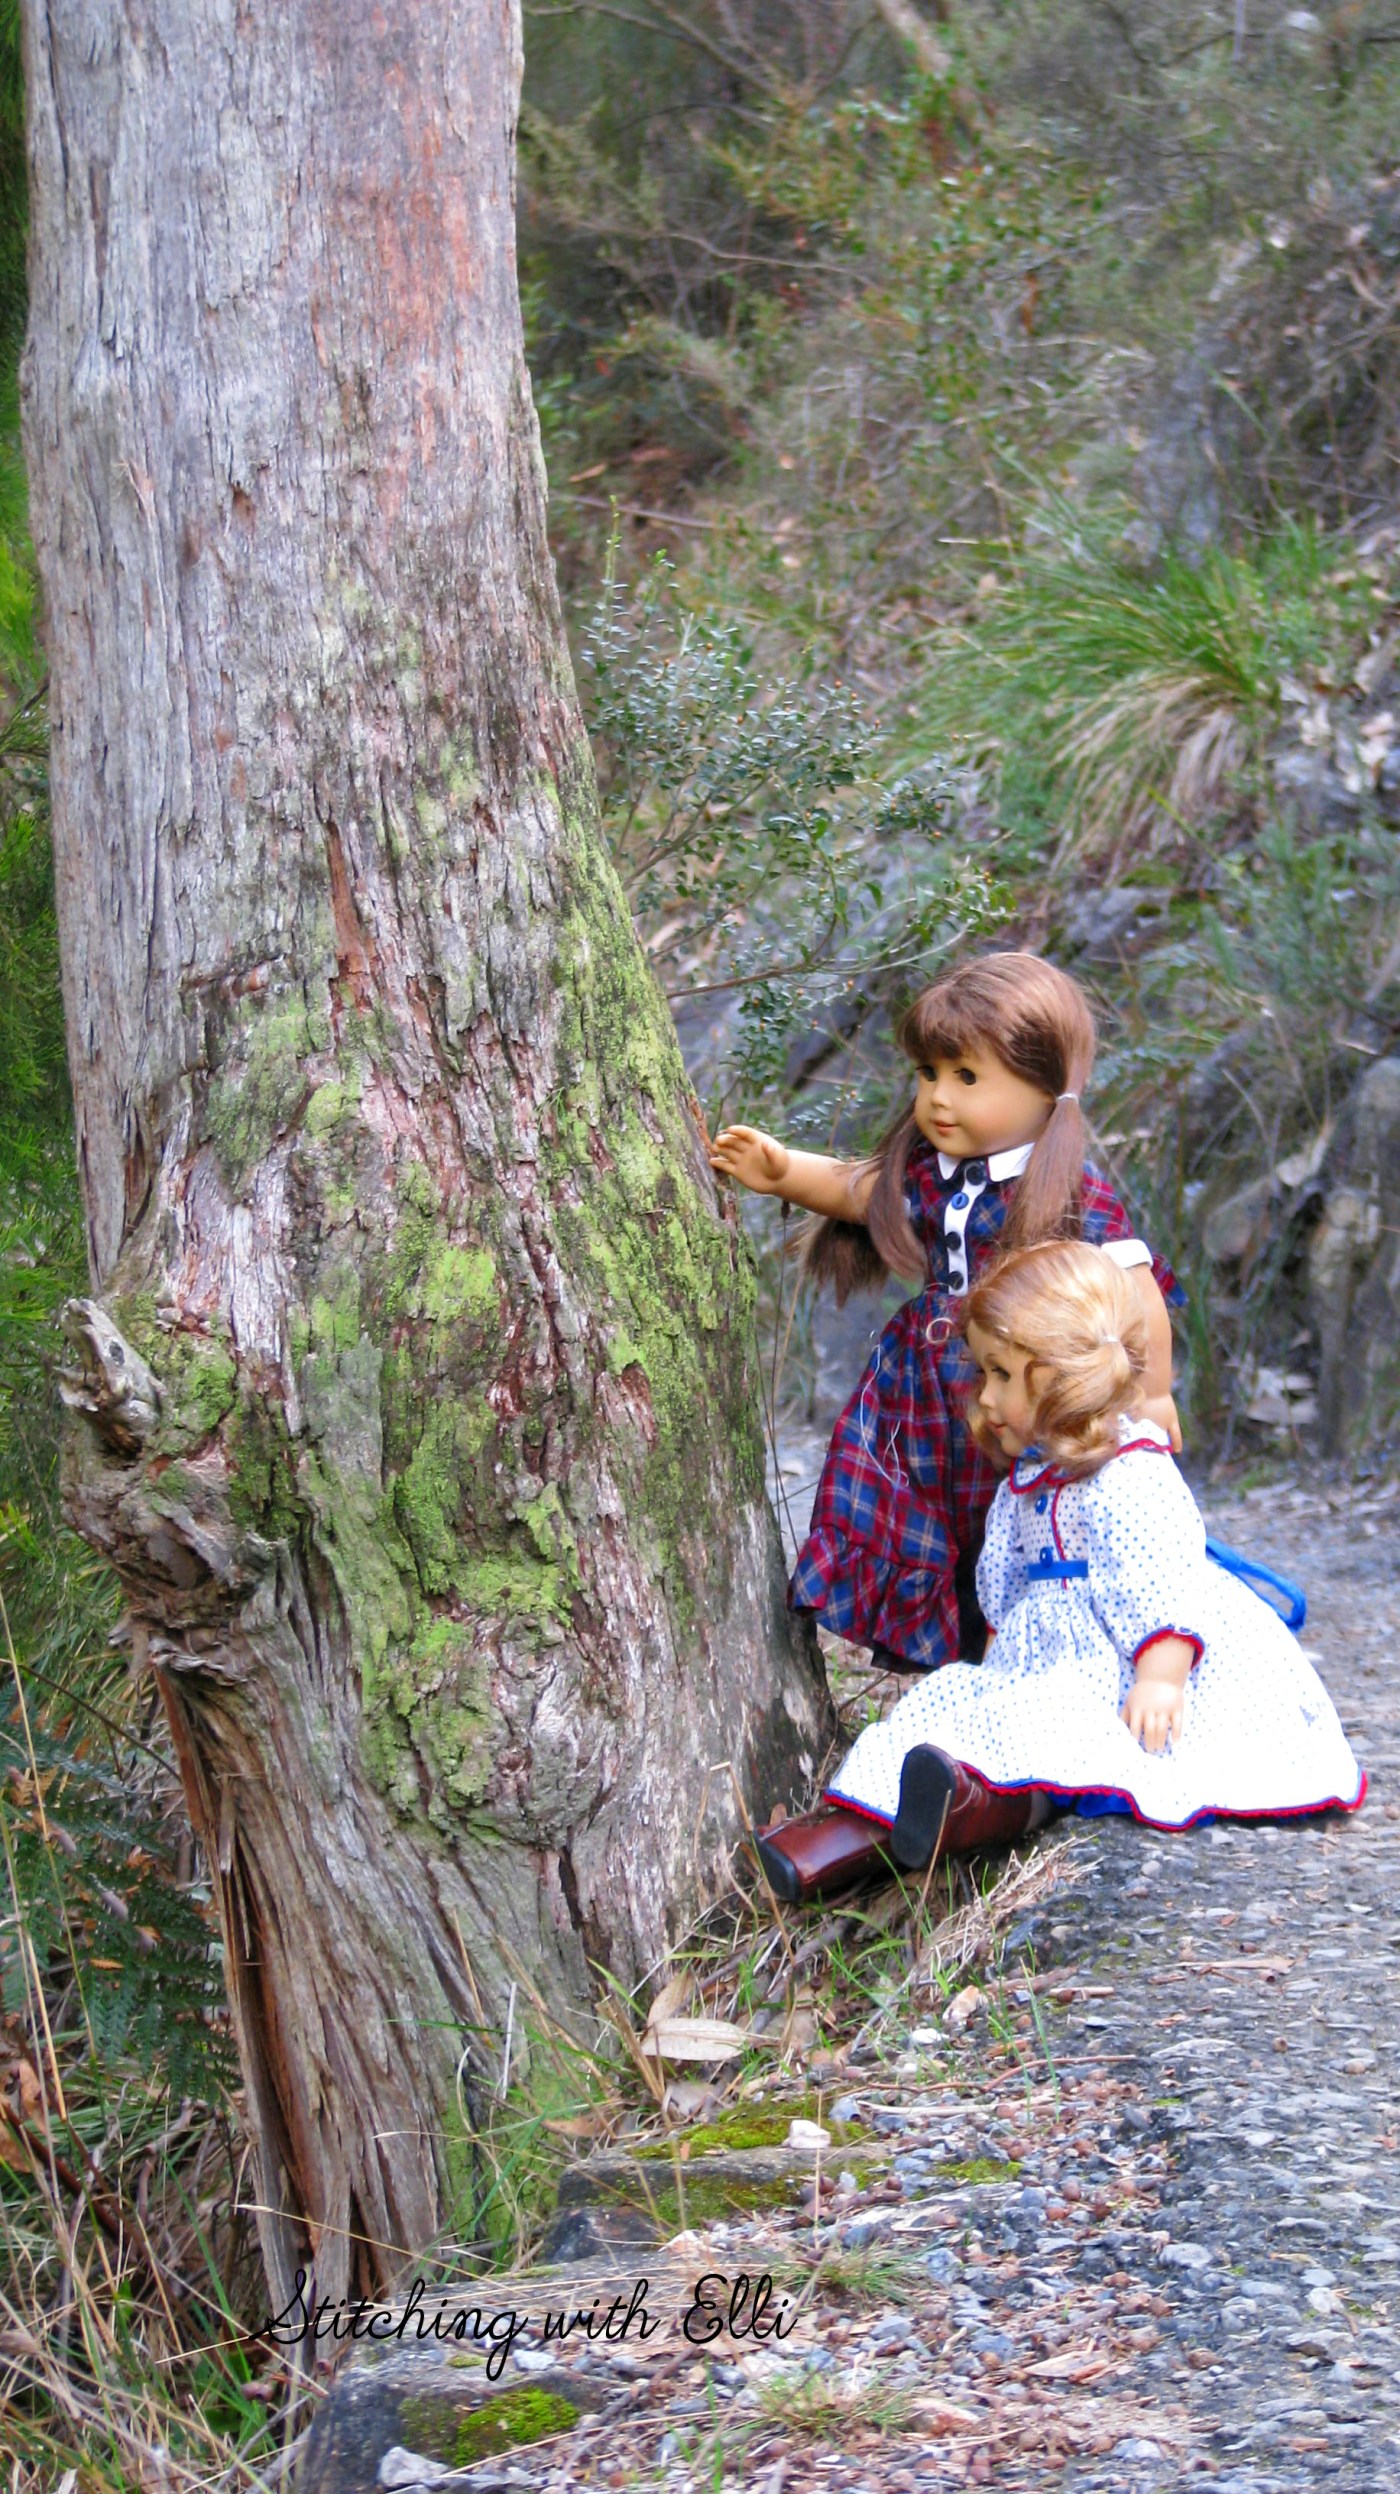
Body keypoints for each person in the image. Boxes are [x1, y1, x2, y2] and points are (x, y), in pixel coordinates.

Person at [755, 1242, 1364, 1903]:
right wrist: (993, 1663)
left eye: (1002, 1375)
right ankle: (846, 1832)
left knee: (1048, 1735)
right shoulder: (1027, 1481)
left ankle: (956, 1812)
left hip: (1113, 1664)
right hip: (1041, 1663)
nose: (986, 1396)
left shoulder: (1129, 1472)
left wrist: (1161, 1676)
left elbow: (1163, 1578)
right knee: (947, 1710)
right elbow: (1006, 1587)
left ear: (1062, 1377)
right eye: (985, 1373)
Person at [709, 951, 1181, 1674]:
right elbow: (855, 1190)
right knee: (916, 1516)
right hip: (918, 1394)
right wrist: (783, 1172)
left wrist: (1152, 1396)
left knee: (1015, 1519)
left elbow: (1136, 1288)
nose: (937, 1097)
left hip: (1019, 1390)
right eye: (928, 1073)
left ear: (1044, 1086)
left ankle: (1031, 1659)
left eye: (966, 1077)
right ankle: (945, 1666)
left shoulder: (1068, 1192)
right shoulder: (930, 1175)